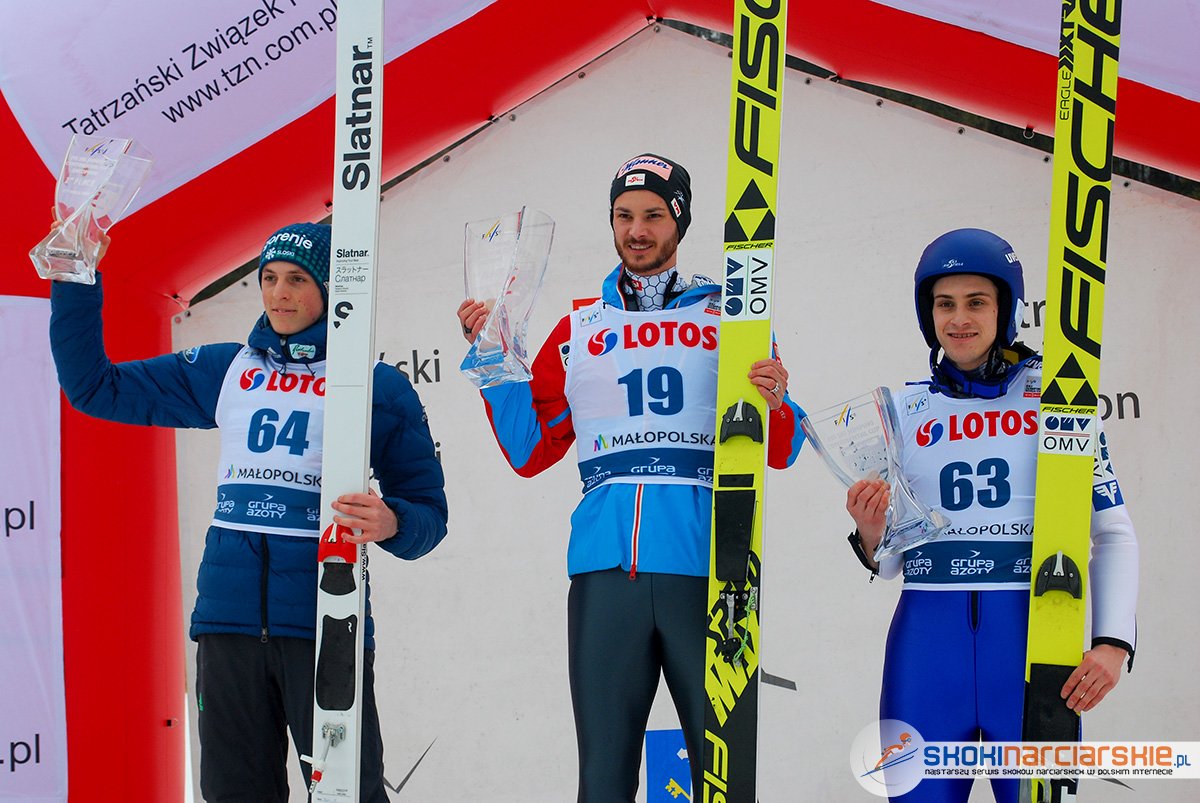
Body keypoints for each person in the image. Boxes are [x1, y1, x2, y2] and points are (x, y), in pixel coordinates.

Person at [48, 222, 448, 801]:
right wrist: (76, 279)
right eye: (269, 278)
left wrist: (393, 522)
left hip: (324, 622)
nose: (279, 293)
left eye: (297, 280)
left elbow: (428, 514)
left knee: (347, 794)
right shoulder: (225, 368)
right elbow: (95, 388)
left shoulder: (376, 386)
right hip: (227, 622)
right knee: (235, 793)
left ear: (331, 290)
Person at [456, 153, 806, 800]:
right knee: (603, 777)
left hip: (710, 571)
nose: (637, 231)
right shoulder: (578, 328)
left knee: (726, 777)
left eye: (652, 215)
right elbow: (530, 450)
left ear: (679, 221)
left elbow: (782, 449)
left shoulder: (732, 317)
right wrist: (494, 357)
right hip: (605, 573)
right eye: (623, 215)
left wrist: (777, 401)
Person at [844, 228, 1138, 803]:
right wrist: (871, 529)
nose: (959, 319)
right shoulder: (901, 411)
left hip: (1028, 648)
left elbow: (1113, 532)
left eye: (976, 302)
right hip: (927, 652)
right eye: (944, 304)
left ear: (1007, 310)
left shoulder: (1060, 401)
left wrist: (1112, 644)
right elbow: (889, 561)